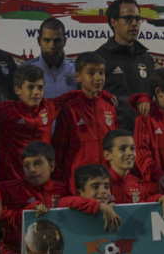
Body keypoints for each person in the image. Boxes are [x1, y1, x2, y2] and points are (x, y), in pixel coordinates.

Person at [0, 141, 101, 254]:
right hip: (17, 251)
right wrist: (28, 210)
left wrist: (101, 206)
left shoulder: (63, 189)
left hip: (55, 252)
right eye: (27, 165)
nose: (32, 170)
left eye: (38, 163)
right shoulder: (12, 189)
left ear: (52, 166)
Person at [50, 52, 118, 182]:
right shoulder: (70, 109)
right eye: (91, 73)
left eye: (101, 73)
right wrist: (58, 178)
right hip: (79, 179)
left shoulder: (109, 107)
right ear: (78, 77)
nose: (98, 78)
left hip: (106, 177)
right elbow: (60, 147)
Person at [0, 64, 56, 183]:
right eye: (30, 88)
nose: (36, 92)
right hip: (11, 182)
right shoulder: (6, 111)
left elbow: (76, 97)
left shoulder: (49, 107)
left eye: (40, 88)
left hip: (40, 182)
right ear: (17, 90)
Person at [95, 0, 155, 131]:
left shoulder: (146, 59)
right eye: (128, 19)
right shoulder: (99, 58)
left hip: (143, 139)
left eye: (138, 19)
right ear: (114, 22)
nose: (134, 23)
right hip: (113, 139)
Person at [100, 130, 164, 222]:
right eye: (122, 149)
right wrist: (100, 207)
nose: (130, 153)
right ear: (107, 155)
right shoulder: (99, 183)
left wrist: (163, 197)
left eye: (132, 148)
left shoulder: (138, 184)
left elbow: (144, 204)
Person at [21, 17, 76, 99]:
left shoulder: (77, 70)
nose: (52, 46)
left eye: (57, 41)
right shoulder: (24, 70)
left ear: (64, 41)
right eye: (47, 40)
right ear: (39, 41)